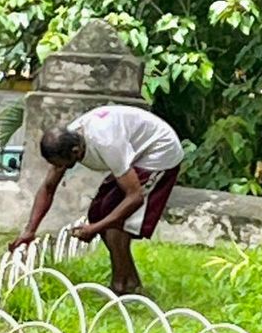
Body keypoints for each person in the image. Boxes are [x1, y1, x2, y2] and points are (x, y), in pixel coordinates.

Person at [9, 105, 184, 295]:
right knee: (98, 212)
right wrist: (30, 231)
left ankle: (120, 287)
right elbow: (48, 188)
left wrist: (95, 228)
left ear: (75, 152)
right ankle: (131, 281)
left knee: (115, 222)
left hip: (158, 151)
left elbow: (134, 197)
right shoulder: (68, 142)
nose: (58, 169)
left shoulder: (106, 143)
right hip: (133, 152)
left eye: (60, 165)